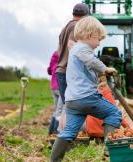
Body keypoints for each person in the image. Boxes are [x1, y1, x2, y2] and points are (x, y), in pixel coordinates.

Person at [50, 16, 122, 162]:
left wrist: (98, 77)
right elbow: (91, 61)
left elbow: (87, 67)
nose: (98, 44)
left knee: (69, 132)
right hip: (86, 97)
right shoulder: (83, 49)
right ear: (90, 35)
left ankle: (54, 160)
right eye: (98, 39)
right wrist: (105, 69)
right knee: (114, 113)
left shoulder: (75, 49)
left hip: (72, 101)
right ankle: (109, 150)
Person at [56, 3, 89, 104]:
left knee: (68, 109)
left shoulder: (66, 27)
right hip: (68, 73)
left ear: (73, 14)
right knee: (74, 109)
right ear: (86, 16)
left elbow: (59, 50)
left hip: (61, 71)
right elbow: (71, 46)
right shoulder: (76, 26)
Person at [47, 51, 64, 135]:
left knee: (57, 109)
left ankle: (50, 132)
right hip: (60, 86)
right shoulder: (65, 55)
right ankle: (55, 132)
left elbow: (49, 70)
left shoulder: (55, 54)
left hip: (53, 86)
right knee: (60, 110)